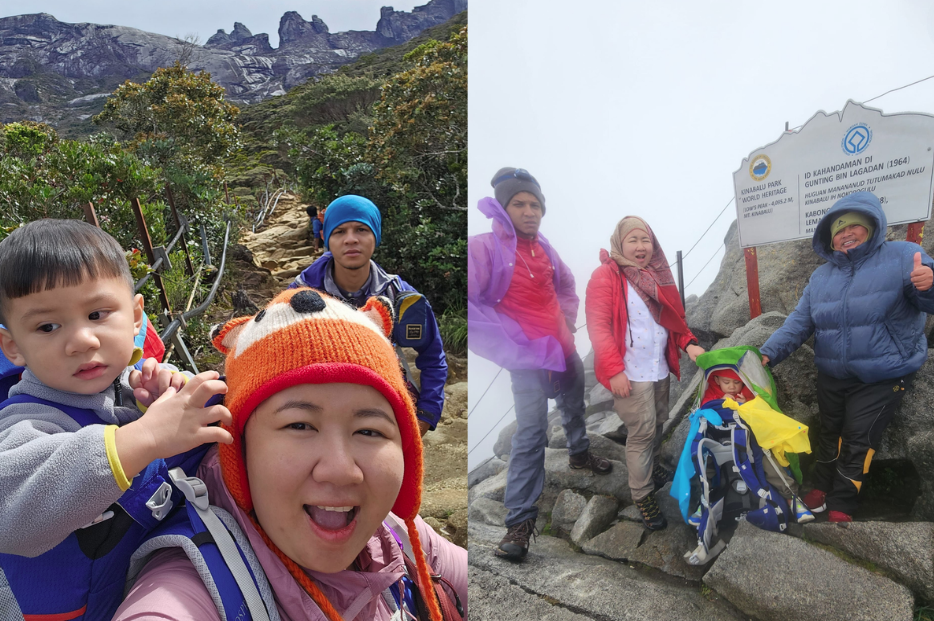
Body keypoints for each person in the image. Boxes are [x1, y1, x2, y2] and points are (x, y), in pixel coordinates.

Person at [114, 288, 467, 621]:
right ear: (238, 447)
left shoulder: (395, 533)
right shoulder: (189, 587)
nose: (341, 470)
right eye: (299, 426)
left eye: (369, 431)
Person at [0, 219, 232, 620]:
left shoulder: (133, 391)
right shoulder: (26, 421)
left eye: (97, 313)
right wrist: (145, 435)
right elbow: (11, 514)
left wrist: (167, 402)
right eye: (48, 326)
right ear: (13, 347)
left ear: (137, 317)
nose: (82, 341)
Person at [760, 191, 934, 522]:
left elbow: (928, 300)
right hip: (833, 374)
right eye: (838, 229)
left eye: (854, 226)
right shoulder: (821, 277)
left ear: (873, 226)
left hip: (884, 373)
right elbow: (798, 324)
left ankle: (843, 502)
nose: (846, 234)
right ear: (830, 237)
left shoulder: (904, 255)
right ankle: (821, 488)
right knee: (829, 433)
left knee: (858, 438)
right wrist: (766, 354)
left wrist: (929, 285)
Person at [468, 167, 611, 561]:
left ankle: (579, 452)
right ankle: (520, 523)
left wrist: (566, 320)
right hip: (527, 360)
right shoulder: (482, 248)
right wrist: (508, 341)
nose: (529, 211)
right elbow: (471, 302)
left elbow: (565, 285)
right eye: (520, 204)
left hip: (562, 348)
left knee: (573, 403)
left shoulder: (544, 248)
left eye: (535, 205)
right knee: (531, 433)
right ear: (502, 207)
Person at [585, 215, 704, 531]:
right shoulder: (606, 276)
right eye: (633, 240)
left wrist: (689, 344)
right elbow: (598, 327)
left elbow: (674, 319)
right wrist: (613, 371)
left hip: (658, 369)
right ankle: (642, 494)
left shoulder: (656, 276)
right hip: (630, 374)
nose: (640, 247)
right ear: (620, 243)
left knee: (658, 425)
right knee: (641, 433)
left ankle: (648, 470)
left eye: (645, 240)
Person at [291, 195, 446, 436]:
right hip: (319, 399)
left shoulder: (399, 295)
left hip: (382, 394)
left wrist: (427, 412)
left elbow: (433, 356)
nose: (351, 239)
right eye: (339, 231)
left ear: (376, 236)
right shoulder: (301, 294)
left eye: (361, 229)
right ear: (326, 238)